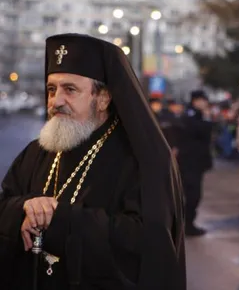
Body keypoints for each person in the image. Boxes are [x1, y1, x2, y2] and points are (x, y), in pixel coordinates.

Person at [0, 34, 186, 290]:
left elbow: (146, 243)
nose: (56, 102)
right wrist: (26, 208)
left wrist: (59, 217)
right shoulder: (38, 151)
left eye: (70, 90)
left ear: (103, 98)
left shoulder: (140, 160)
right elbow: (5, 202)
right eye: (52, 89)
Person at [177, 90, 213, 236]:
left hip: (197, 162)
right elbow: (201, 131)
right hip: (189, 161)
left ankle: (187, 224)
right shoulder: (190, 116)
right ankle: (186, 225)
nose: (204, 103)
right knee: (192, 195)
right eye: (201, 100)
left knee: (193, 195)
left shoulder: (198, 115)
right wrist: (206, 119)